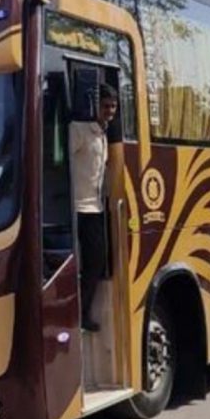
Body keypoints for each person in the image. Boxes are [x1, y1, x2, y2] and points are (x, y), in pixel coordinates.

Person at [70, 83, 118, 332]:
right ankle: (78, 314)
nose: (110, 111)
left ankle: (83, 312)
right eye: (105, 106)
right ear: (96, 106)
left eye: (113, 106)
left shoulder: (103, 133)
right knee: (84, 263)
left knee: (98, 263)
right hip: (78, 207)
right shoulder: (79, 130)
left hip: (95, 207)